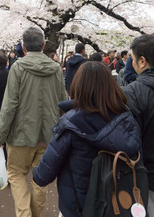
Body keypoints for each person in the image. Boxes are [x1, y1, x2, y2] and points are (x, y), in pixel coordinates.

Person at [33, 61, 141, 217]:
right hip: (118, 204)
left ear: (78, 86)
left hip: (79, 207)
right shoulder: (127, 120)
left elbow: (42, 176)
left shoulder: (71, 124)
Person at [0, 26, 67, 217]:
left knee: (16, 174)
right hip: (48, 135)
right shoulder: (56, 69)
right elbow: (63, 102)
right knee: (39, 180)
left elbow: (10, 104)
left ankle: (24, 214)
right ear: (43, 45)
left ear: (23, 47)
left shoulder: (18, 67)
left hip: (20, 135)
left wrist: (0, 135)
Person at [121, 34, 154, 216]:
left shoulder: (132, 93)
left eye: (132, 59)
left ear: (142, 61)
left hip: (147, 178)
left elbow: (129, 142)